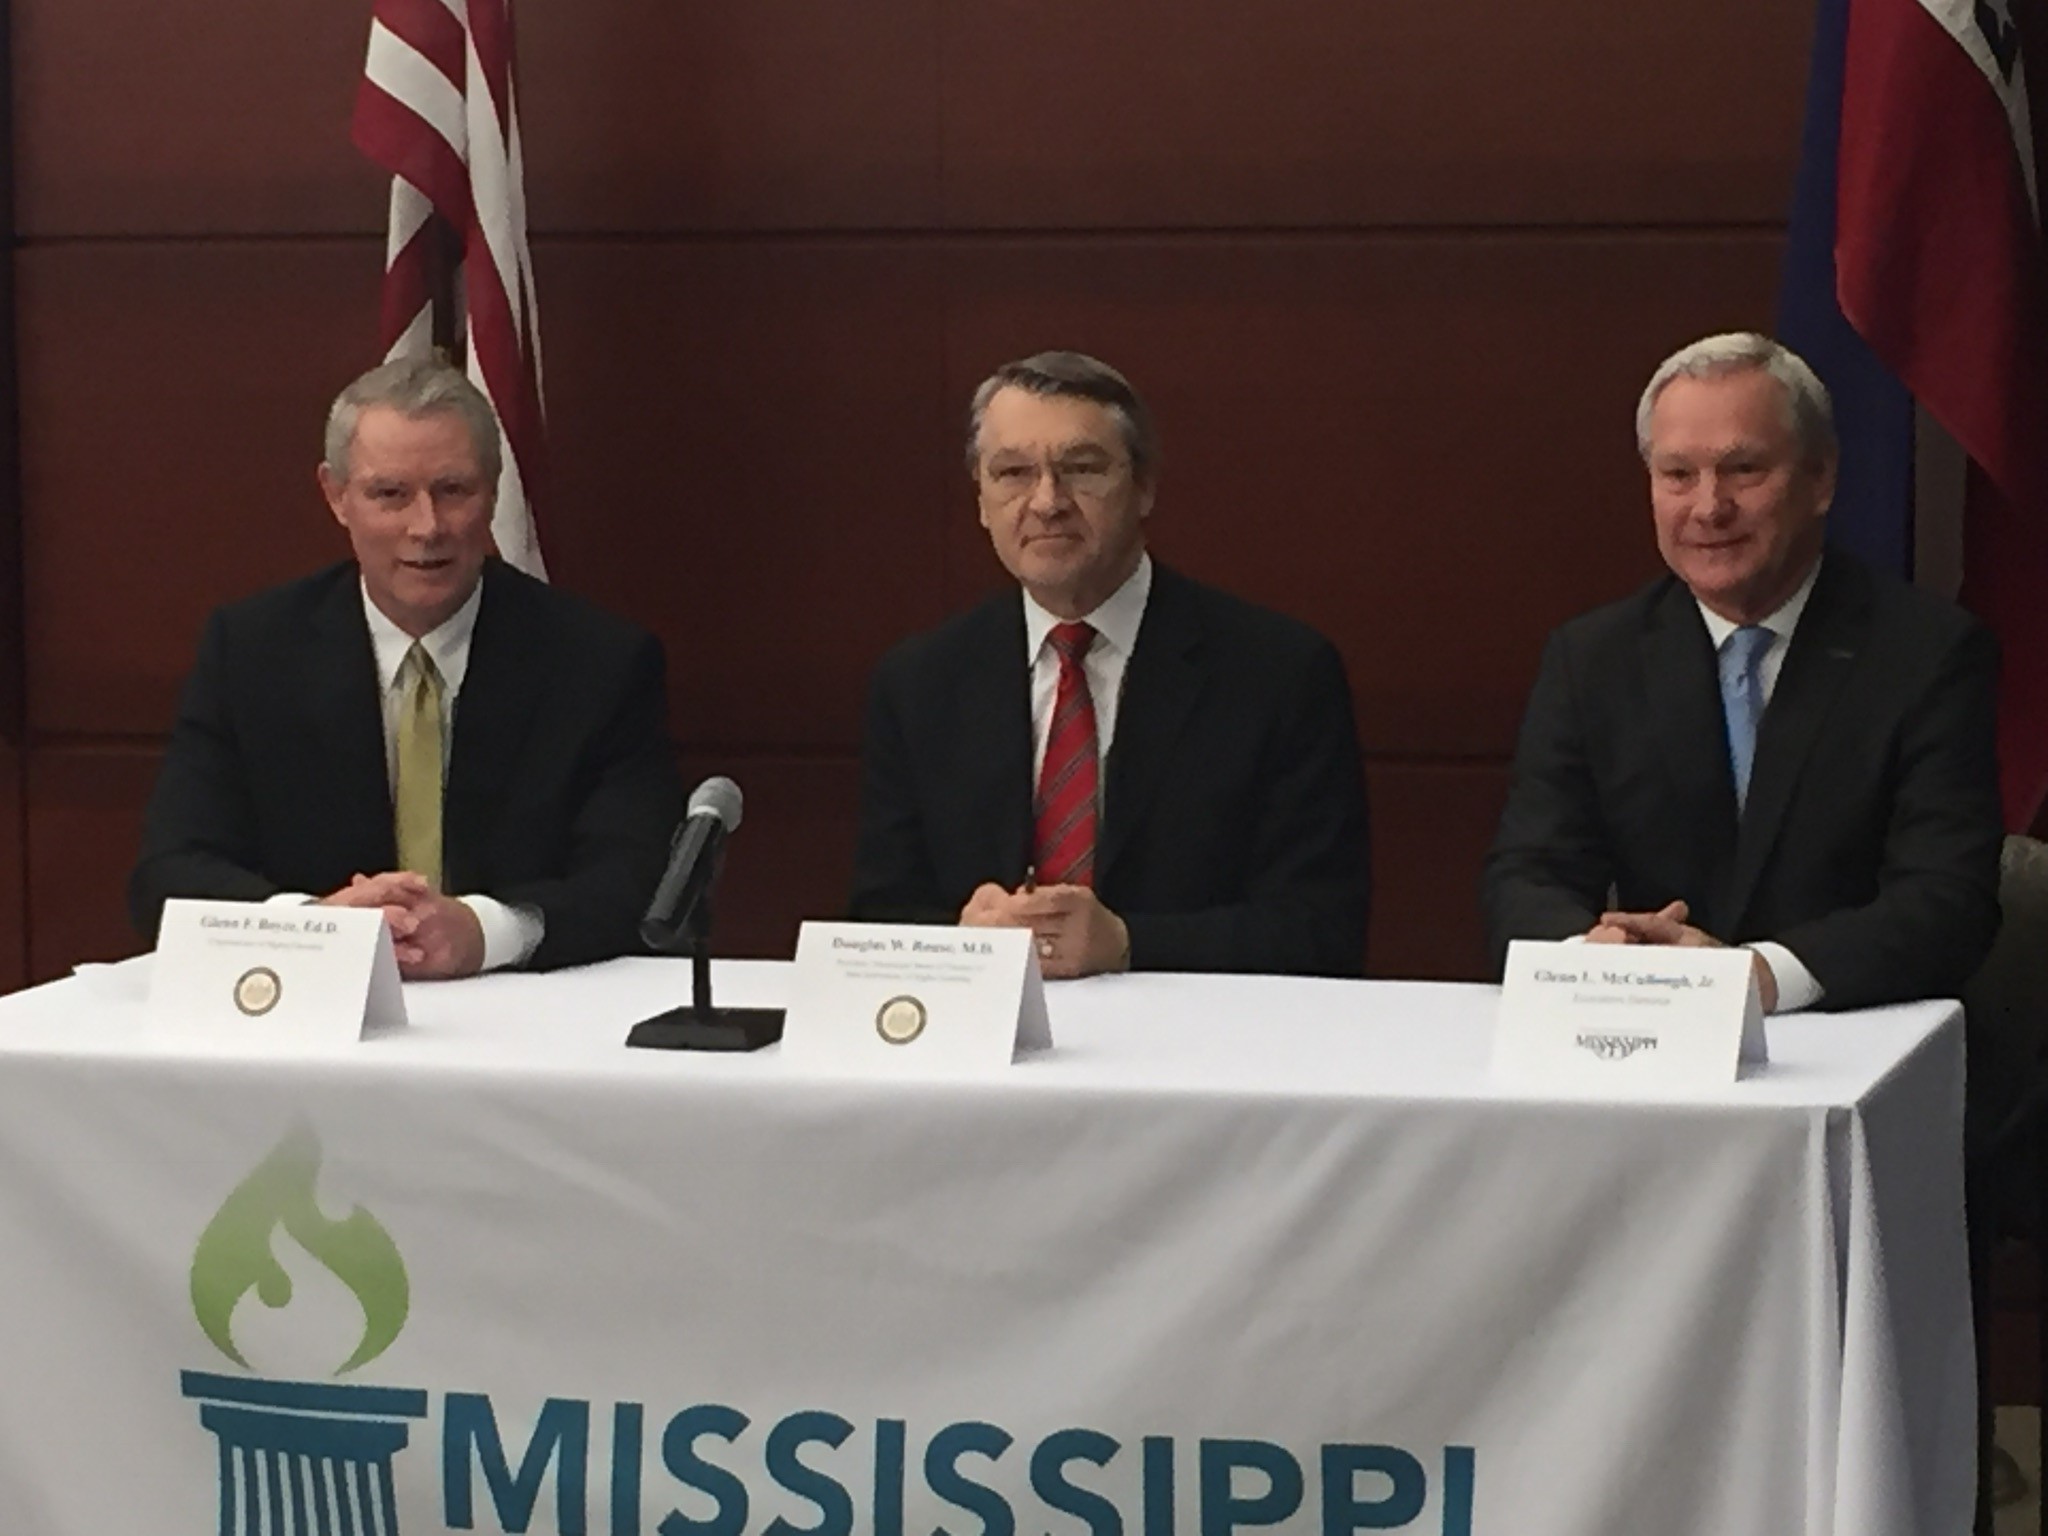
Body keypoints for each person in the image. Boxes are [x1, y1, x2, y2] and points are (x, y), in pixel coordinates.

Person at [1482, 331, 2002, 1011]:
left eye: (1743, 470)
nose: (1708, 507)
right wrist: (1597, 961)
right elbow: (1525, 878)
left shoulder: (1927, 653)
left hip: (1851, 1040)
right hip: (1646, 1036)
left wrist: (1755, 978)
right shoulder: (1592, 659)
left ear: (1821, 479)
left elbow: (1947, 899)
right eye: (1678, 475)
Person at [129, 355, 682, 977]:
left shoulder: (598, 662)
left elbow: (640, 882)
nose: (428, 527)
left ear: (493, 492)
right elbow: (170, 873)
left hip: (524, 1028)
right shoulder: (252, 651)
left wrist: (484, 931)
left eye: (453, 491)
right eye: (390, 494)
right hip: (314, 1021)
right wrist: (317, 923)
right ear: (336, 496)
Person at [851, 350, 1370, 978]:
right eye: (1013, 472)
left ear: (1144, 486)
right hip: (989, 1056)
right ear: (982, 502)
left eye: (1081, 468)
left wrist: (1128, 943)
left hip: (1201, 1052)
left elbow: (1321, 928)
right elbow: (876, 920)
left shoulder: (1278, 674)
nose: (1047, 501)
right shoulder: (921, 682)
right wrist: (962, 936)